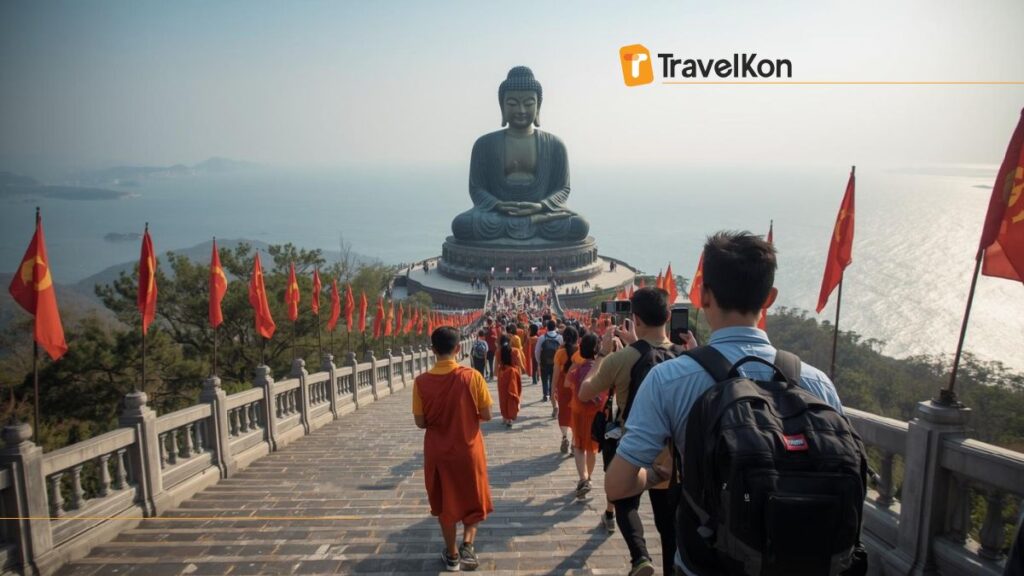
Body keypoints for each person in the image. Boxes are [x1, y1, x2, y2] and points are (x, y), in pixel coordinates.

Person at [605, 231, 844, 576]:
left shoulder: (670, 380)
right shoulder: (818, 384)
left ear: (703, 296)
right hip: (804, 559)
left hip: (708, 561)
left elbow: (617, 485)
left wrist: (656, 472)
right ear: (770, 298)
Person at [579, 287, 683, 576]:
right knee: (668, 524)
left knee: (624, 501)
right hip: (671, 454)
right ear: (669, 315)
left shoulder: (621, 358)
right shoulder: (685, 358)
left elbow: (585, 393)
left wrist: (602, 353)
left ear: (634, 318)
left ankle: (640, 557)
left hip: (632, 445)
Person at [413, 326, 494, 572]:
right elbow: (488, 414)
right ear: (459, 348)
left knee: (445, 503)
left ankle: (452, 554)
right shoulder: (472, 377)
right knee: (473, 496)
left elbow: (420, 422)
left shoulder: (421, 382)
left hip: (438, 452)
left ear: (433, 350)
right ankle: (468, 543)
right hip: (469, 449)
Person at [567, 332, 616, 532]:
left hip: (578, 411)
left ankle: (583, 478)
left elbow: (566, 384)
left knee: (578, 444)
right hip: (596, 415)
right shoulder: (602, 368)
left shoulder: (577, 368)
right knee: (592, 447)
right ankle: (589, 477)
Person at [553, 326, 583, 454]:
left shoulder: (559, 353)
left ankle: (565, 436)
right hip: (577, 386)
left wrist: (552, 389)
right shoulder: (581, 351)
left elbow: (556, 374)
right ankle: (574, 441)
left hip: (563, 386)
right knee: (576, 413)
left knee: (564, 413)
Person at [496, 335, 525, 427]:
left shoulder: (498, 352)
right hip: (513, 375)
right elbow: (520, 364)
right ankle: (511, 417)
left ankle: (505, 418)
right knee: (513, 395)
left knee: (503, 397)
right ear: (510, 342)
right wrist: (525, 370)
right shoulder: (515, 351)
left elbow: (495, 369)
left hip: (502, 374)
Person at [534, 320, 563, 405]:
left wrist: (539, 361)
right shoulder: (560, 338)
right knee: (553, 379)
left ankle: (545, 394)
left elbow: (537, 351)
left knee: (544, 379)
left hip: (545, 362)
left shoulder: (542, 338)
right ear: (555, 327)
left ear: (547, 327)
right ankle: (551, 394)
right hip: (555, 363)